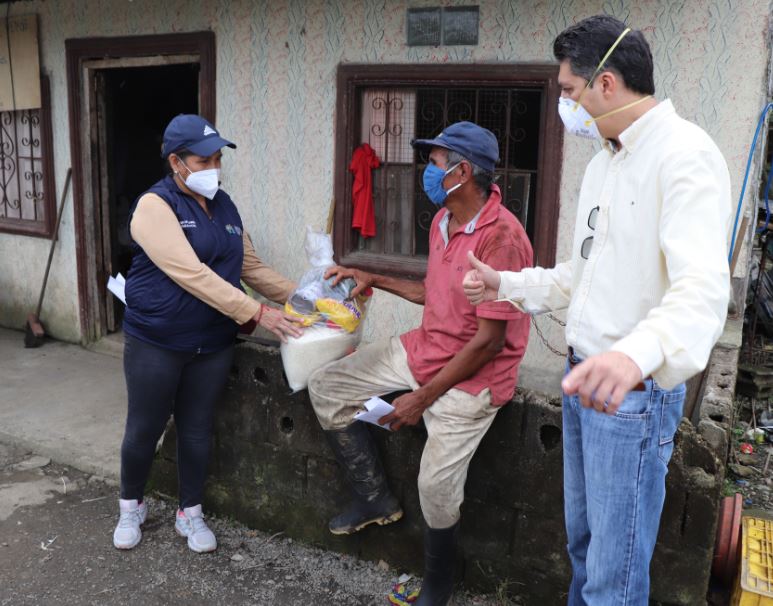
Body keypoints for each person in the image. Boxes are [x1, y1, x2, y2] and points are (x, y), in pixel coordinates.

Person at [463, 16, 731, 605]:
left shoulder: (684, 156)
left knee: (616, 571)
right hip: (585, 378)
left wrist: (633, 356)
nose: (565, 106)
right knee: (584, 547)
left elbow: (703, 291)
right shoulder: (605, 163)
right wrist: (504, 283)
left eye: (568, 90)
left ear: (605, 84)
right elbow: (579, 277)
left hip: (630, 395)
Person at [307, 121, 532, 605]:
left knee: (434, 485)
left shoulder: (502, 239)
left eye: (434, 162)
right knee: (326, 387)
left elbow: (489, 342)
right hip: (426, 348)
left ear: (462, 172)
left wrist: (421, 399)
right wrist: (372, 276)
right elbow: (432, 291)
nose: (425, 172)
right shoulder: (443, 221)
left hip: (475, 377)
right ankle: (373, 497)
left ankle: (437, 586)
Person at [113, 114, 303, 553]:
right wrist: (259, 314)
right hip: (157, 340)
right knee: (145, 427)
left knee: (198, 428)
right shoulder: (154, 207)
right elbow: (192, 275)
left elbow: (251, 267)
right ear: (176, 162)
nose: (214, 168)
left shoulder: (225, 205)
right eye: (204, 160)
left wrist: (306, 297)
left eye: (218, 158)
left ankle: (190, 512)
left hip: (213, 341)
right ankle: (131, 504)